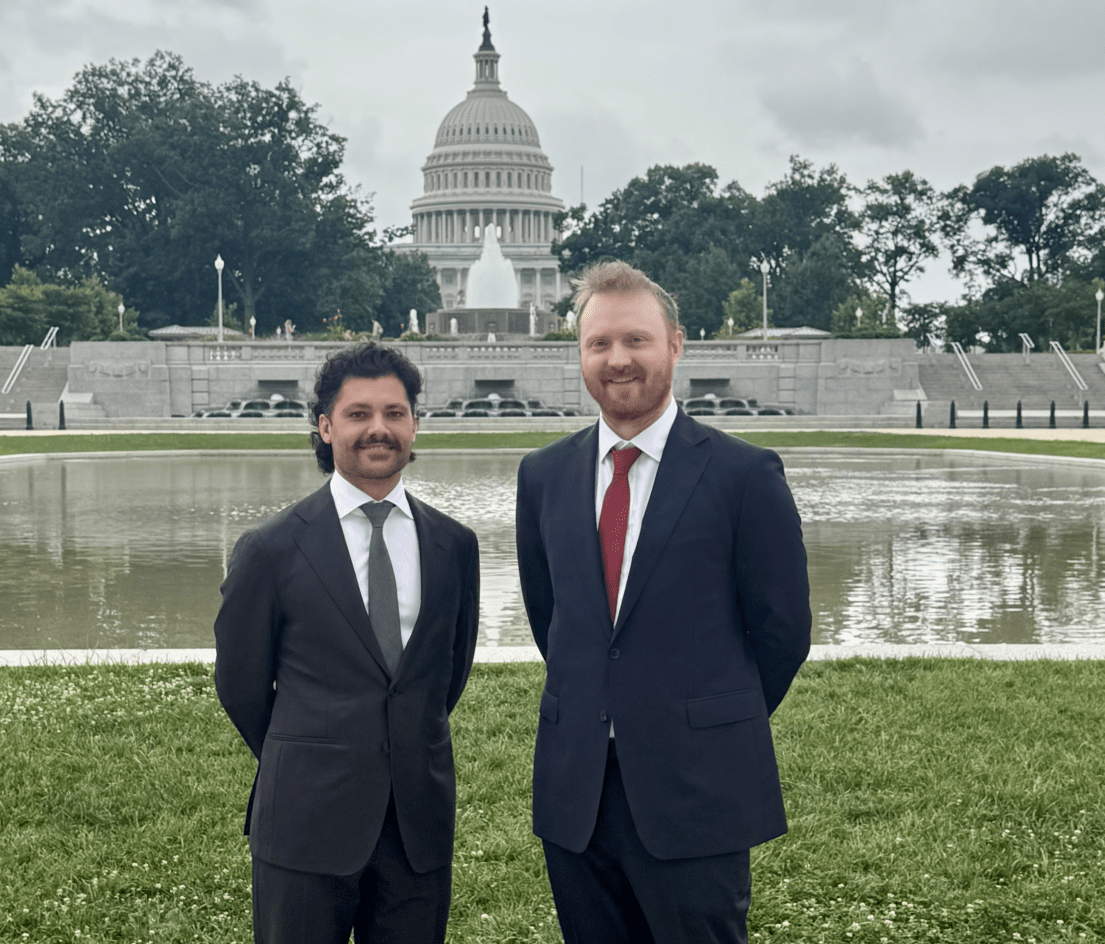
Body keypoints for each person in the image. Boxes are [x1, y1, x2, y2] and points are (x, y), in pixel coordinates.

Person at [516, 261, 811, 943]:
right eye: (598, 343)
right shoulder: (544, 476)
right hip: (576, 791)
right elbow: (551, 616)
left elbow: (781, 630)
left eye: (636, 340)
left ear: (674, 344)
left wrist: (704, 715)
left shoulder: (744, 474)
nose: (617, 359)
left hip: (695, 785)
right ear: (580, 354)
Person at [214, 342, 480, 944]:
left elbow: (447, 675)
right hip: (306, 820)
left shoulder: (454, 545)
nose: (378, 429)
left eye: (394, 412)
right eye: (358, 414)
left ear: (415, 424)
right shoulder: (271, 549)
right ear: (325, 425)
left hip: (417, 825)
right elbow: (241, 686)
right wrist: (310, 752)